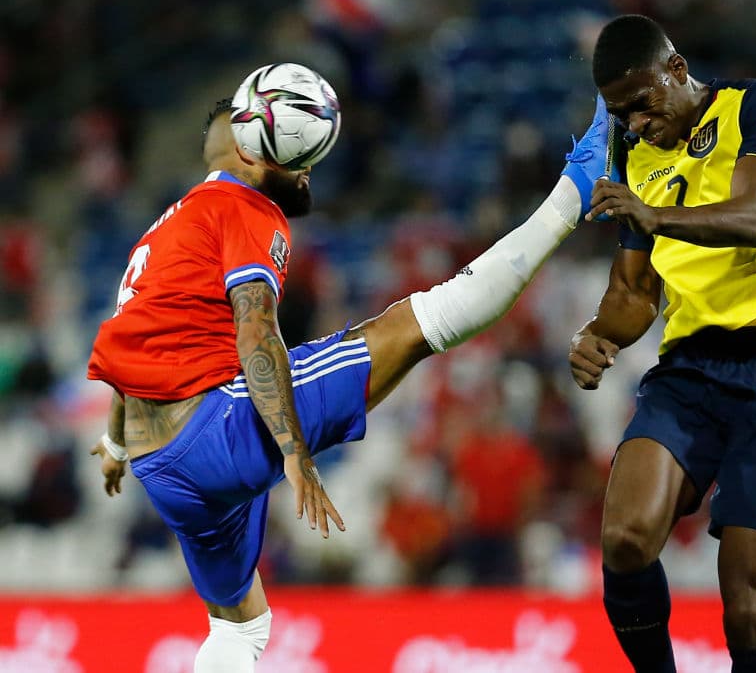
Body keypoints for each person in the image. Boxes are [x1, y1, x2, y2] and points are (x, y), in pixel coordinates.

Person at [86, 77, 614, 671]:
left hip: (158, 464)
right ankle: (578, 186)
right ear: (255, 155)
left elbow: (126, 337)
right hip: (216, 431)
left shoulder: (167, 229)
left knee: (241, 627)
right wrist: (291, 450)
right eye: (303, 162)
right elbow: (256, 328)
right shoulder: (246, 209)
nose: (309, 174)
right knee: (416, 324)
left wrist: (113, 442)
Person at [567, 15, 756, 673]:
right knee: (625, 539)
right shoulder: (636, 157)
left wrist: (654, 215)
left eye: (642, 106)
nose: (633, 125)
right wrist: (598, 335)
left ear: (676, 71)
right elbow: (633, 294)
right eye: (619, 115)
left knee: (745, 612)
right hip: (689, 371)